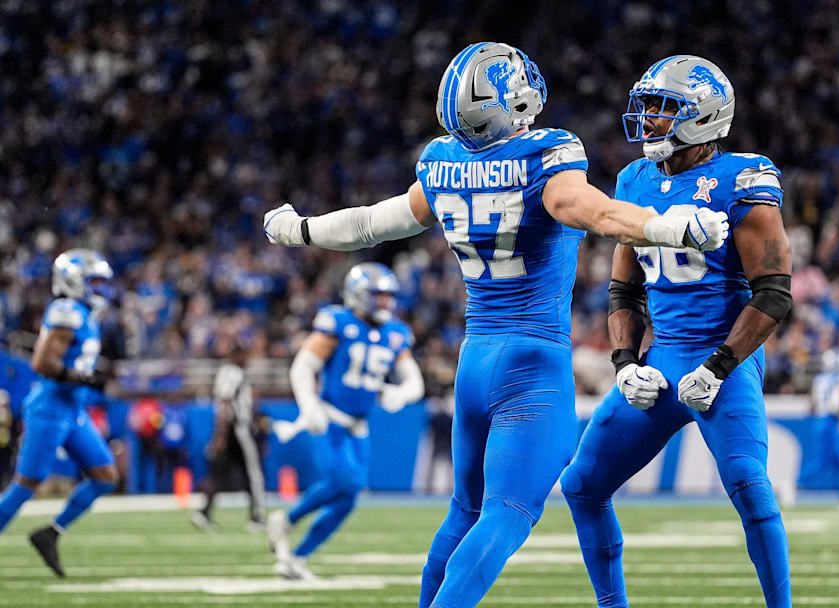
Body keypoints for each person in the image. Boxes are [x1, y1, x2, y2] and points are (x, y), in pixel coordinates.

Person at [262, 42, 730, 608]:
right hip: (532, 360)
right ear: (507, 100)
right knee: (508, 513)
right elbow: (596, 212)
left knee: (464, 512)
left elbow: (368, 224)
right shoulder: (546, 155)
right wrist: (666, 226)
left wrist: (301, 231)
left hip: (476, 358)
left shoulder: (442, 161)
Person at [557, 55, 793, 608]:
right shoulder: (634, 178)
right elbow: (624, 290)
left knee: (749, 485)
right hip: (661, 363)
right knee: (581, 486)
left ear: (705, 117)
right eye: (647, 106)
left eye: (663, 109)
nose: (648, 119)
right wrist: (624, 364)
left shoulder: (743, 177)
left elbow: (774, 292)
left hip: (724, 363)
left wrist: (717, 367)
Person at [267, 263, 424, 580]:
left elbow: (415, 382)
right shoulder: (338, 321)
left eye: (387, 297)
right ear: (358, 295)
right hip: (330, 418)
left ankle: (296, 555)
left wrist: (401, 394)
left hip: (359, 426)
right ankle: (287, 521)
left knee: (349, 496)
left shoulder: (395, 333)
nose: (384, 303)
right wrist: (308, 405)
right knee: (348, 481)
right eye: (377, 296)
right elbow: (302, 367)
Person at [0, 249, 120, 577]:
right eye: (94, 281)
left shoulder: (85, 313)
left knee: (105, 476)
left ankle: (50, 533)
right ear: (73, 281)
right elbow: (41, 362)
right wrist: (82, 378)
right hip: (50, 407)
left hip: (72, 409)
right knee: (27, 484)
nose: (102, 289)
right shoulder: (67, 311)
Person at [191, 340, 266, 532]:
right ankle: (257, 517)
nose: (247, 359)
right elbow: (225, 403)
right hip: (236, 429)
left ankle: (204, 513)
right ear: (237, 356)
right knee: (252, 472)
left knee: (219, 474)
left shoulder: (225, 372)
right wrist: (221, 434)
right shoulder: (234, 373)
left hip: (230, 428)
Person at [800, 348, 839, 511]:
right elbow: (835, 406)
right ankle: (796, 484)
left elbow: (812, 406)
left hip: (819, 422)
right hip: (830, 422)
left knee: (832, 461)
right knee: (833, 461)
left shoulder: (819, 380)